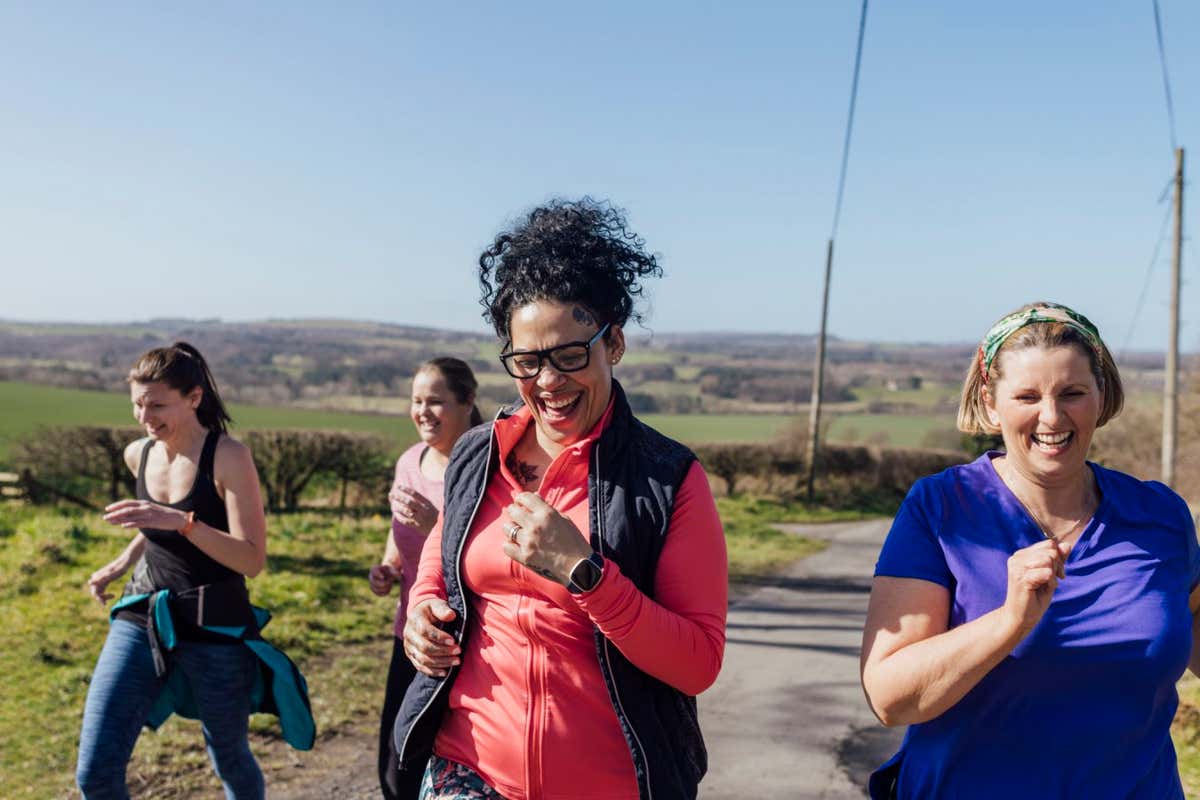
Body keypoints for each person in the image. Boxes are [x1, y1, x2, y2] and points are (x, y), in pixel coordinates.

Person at [391, 198, 728, 800]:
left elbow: (698, 662)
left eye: (571, 355)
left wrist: (586, 573)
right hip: (466, 770)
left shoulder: (668, 479)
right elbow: (435, 575)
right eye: (528, 361)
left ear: (614, 343)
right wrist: (420, 616)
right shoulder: (476, 454)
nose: (548, 381)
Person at [860, 302, 1200, 799]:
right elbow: (891, 699)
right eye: (1026, 396)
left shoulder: (1160, 516)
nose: (1051, 416)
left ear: (1100, 396)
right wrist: (1009, 621)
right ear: (991, 403)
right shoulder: (941, 509)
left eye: (1073, 393)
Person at [76, 342, 313, 800]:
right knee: (95, 773)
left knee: (229, 757)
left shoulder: (228, 457)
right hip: (143, 616)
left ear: (194, 398)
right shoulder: (138, 454)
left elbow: (251, 559)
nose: (146, 417)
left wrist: (182, 524)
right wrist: (123, 561)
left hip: (216, 627)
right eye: (137, 405)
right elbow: (154, 523)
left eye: (158, 405)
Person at [370, 357, 483, 800]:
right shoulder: (410, 462)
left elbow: (495, 552)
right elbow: (397, 533)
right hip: (412, 634)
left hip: (469, 643)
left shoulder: (488, 466)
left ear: (468, 402)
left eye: (435, 401)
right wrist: (389, 567)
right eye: (416, 401)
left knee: (447, 767)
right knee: (395, 765)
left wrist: (437, 522)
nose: (422, 411)